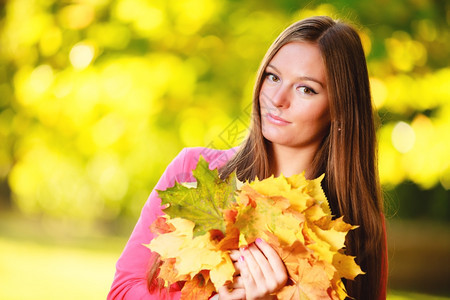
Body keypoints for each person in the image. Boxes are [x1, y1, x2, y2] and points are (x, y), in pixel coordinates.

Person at [108, 15, 388, 300]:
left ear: (340, 109)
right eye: (273, 76)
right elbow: (121, 293)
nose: (277, 98)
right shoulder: (193, 170)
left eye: (306, 89)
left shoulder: (353, 224)